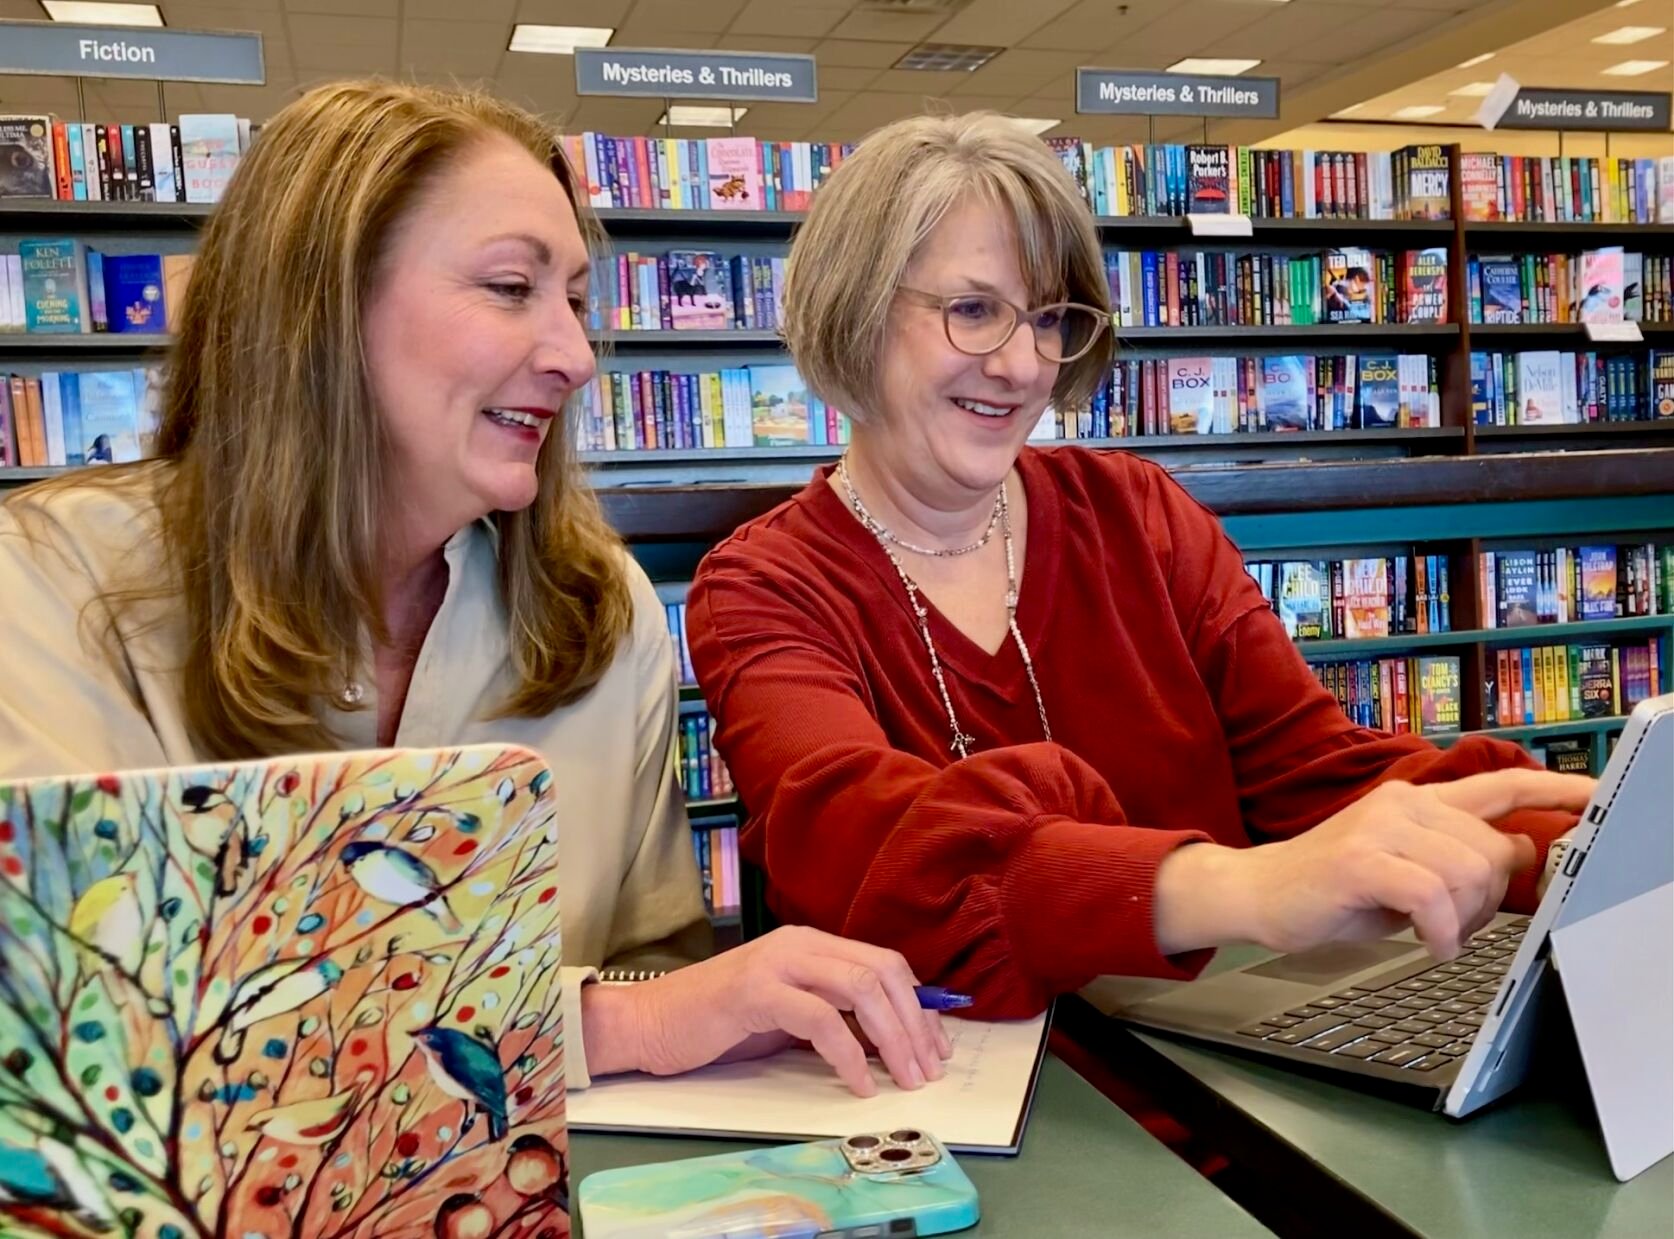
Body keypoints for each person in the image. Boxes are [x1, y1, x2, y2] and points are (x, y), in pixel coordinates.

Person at [0, 81, 948, 1099]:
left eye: (575, 301)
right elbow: (78, 1044)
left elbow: (656, 972)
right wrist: (610, 1022)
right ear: (315, 304)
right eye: (509, 287)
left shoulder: (598, 612)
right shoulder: (53, 587)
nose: (575, 357)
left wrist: (675, 1012)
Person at [685, 111, 1594, 1019]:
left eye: (1050, 318)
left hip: (1214, 1052)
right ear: (856, 306)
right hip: (951, 1088)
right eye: (973, 310)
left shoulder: (1137, 513)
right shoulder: (764, 587)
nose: (1022, 365)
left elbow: (1314, 774)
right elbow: (870, 853)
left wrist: (1560, 841)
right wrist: (1252, 887)